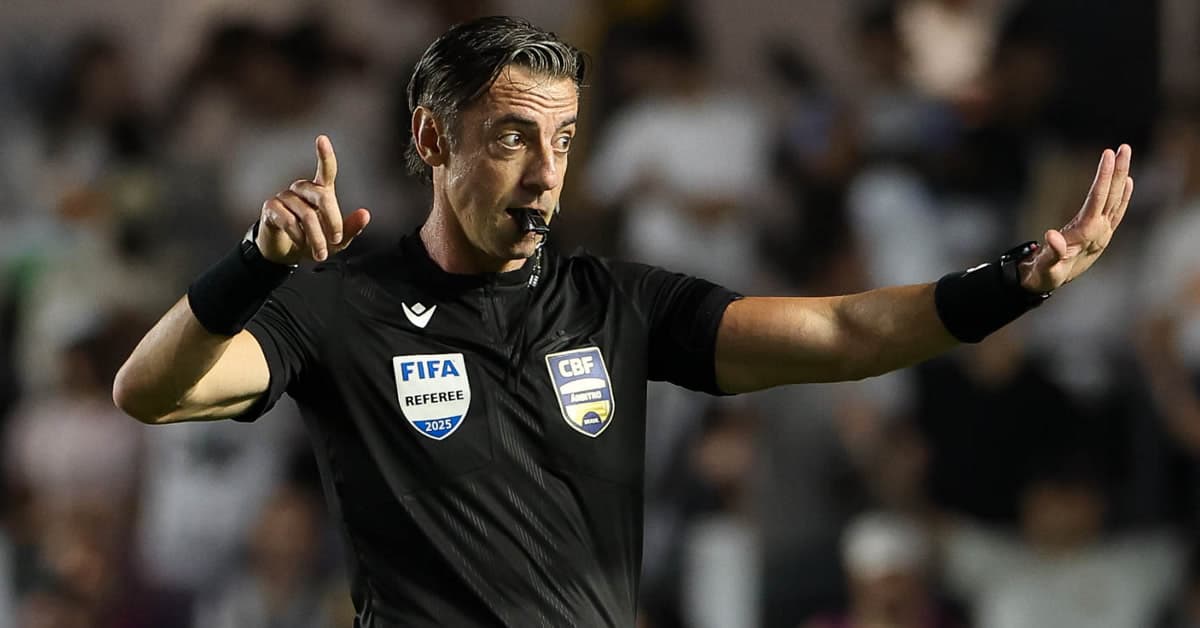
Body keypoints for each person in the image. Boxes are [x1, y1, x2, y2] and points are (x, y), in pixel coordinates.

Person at [112, 15, 1135, 628]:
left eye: (562, 140)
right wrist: (255, 264)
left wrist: (1016, 281)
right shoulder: (340, 303)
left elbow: (847, 334)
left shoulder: (619, 303)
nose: (546, 173)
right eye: (512, 137)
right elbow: (150, 392)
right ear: (431, 138)